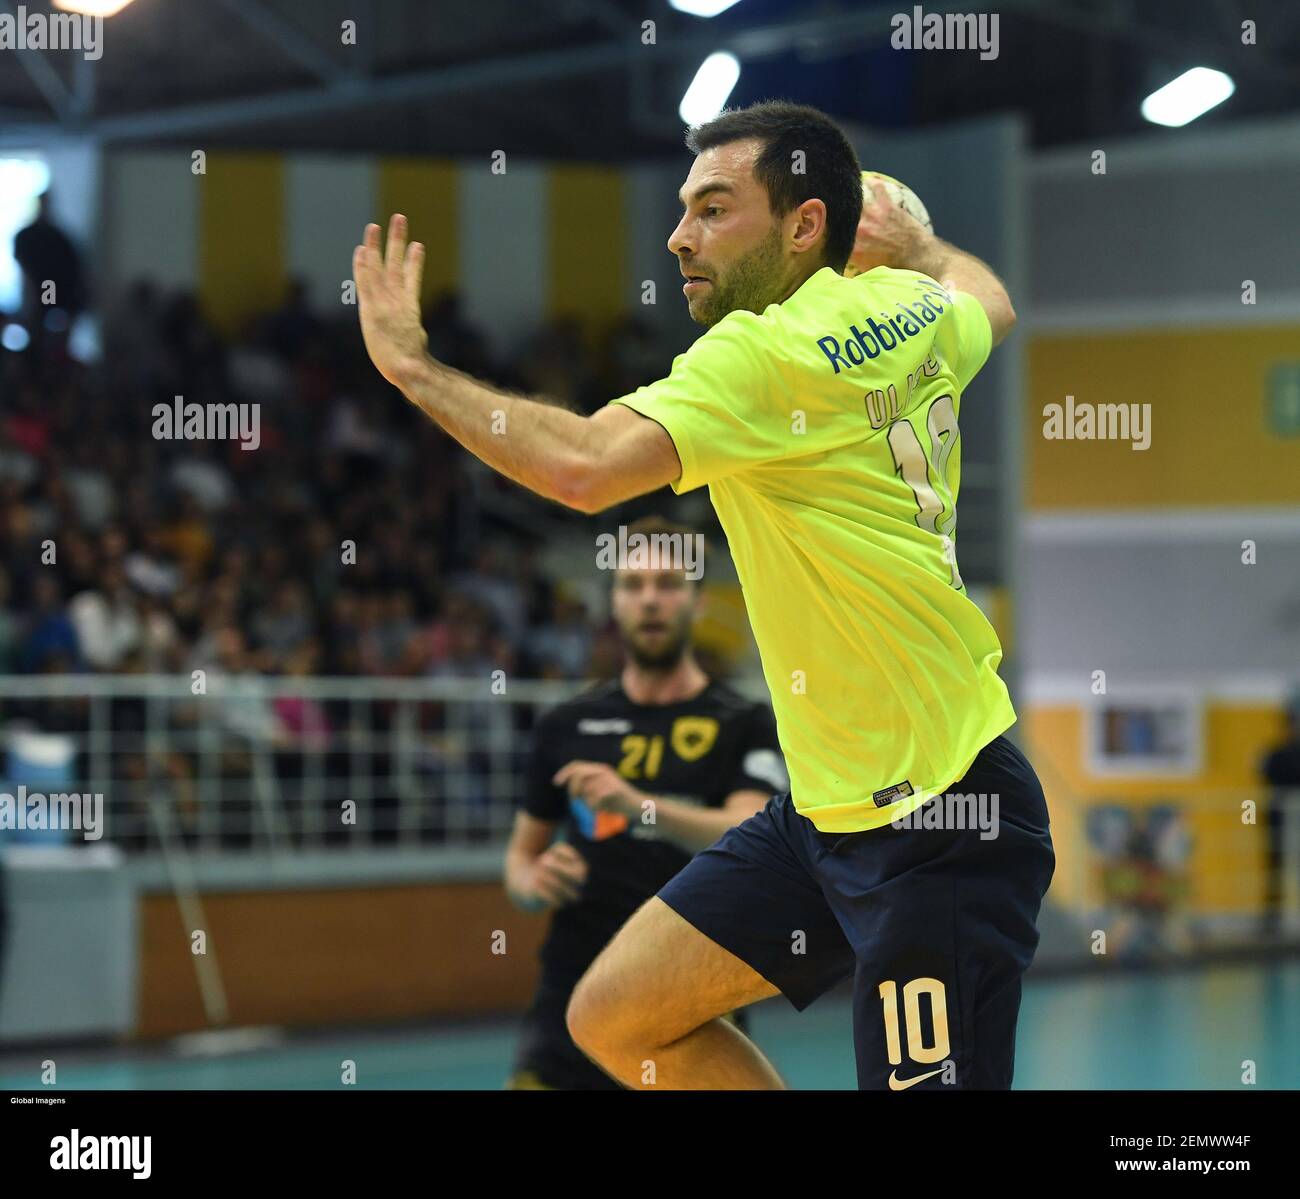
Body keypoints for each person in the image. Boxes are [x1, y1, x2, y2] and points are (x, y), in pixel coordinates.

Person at [353, 99, 1055, 1091]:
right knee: (617, 1015)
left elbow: (582, 467)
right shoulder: (905, 308)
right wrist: (929, 247)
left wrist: (413, 369)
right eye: (683, 207)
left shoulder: (766, 354)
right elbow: (992, 303)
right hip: (827, 810)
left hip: (938, 823)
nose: (679, 233)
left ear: (804, 224)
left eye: (714, 208)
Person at [503, 516, 785, 1088]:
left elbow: (749, 829)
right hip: (570, 996)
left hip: (690, 993)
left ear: (699, 602)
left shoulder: (745, 722)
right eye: (633, 586)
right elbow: (520, 859)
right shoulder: (567, 724)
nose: (650, 601)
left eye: (668, 584)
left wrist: (639, 806)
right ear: (613, 603)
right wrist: (535, 883)